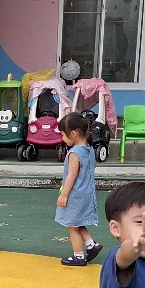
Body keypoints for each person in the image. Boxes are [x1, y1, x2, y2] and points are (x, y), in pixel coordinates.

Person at [56, 112, 102, 266]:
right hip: (87, 192)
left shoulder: (74, 153)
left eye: (63, 134)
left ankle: (78, 256)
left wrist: (64, 195)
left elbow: (72, 176)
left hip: (75, 194)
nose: (62, 138)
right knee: (78, 222)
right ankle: (91, 244)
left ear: (73, 134)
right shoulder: (89, 149)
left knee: (72, 226)